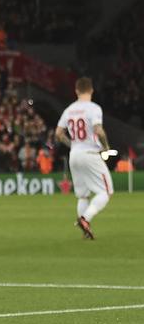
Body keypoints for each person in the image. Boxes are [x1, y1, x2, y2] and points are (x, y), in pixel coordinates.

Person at [56, 77, 114, 240]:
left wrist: (73, 145)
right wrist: (106, 147)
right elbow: (98, 130)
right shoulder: (94, 108)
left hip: (74, 155)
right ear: (91, 91)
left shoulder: (69, 110)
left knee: (83, 195)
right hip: (89, 153)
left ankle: (85, 231)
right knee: (106, 191)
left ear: (76, 91)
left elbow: (58, 134)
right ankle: (85, 219)